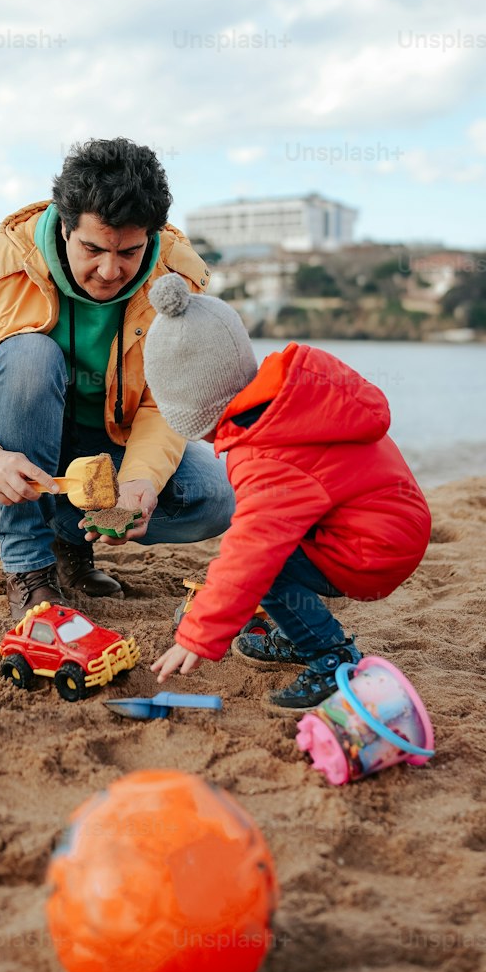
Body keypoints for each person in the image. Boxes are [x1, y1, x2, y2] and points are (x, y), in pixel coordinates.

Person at [0, 138, 234, 619]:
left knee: (215, 496)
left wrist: (141, 480)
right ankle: (28, 567)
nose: (109, 270)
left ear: (153, 236)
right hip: (22, 440)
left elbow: (163, 401)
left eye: (130, 252)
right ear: (65, 225)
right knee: (30, 355)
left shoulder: (176, 282)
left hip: (109, 448)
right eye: (93, 248)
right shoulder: (0, 264)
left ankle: (68, 543)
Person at [143, 273, 432, 712]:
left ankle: (329, 657)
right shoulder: (293, 395)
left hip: (373, 549)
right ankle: (301, 635)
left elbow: (251, 552)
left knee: (265, 565)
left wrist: (198, 635)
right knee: (269, 547)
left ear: (196, 414)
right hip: (393, 522)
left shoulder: (264, 455)